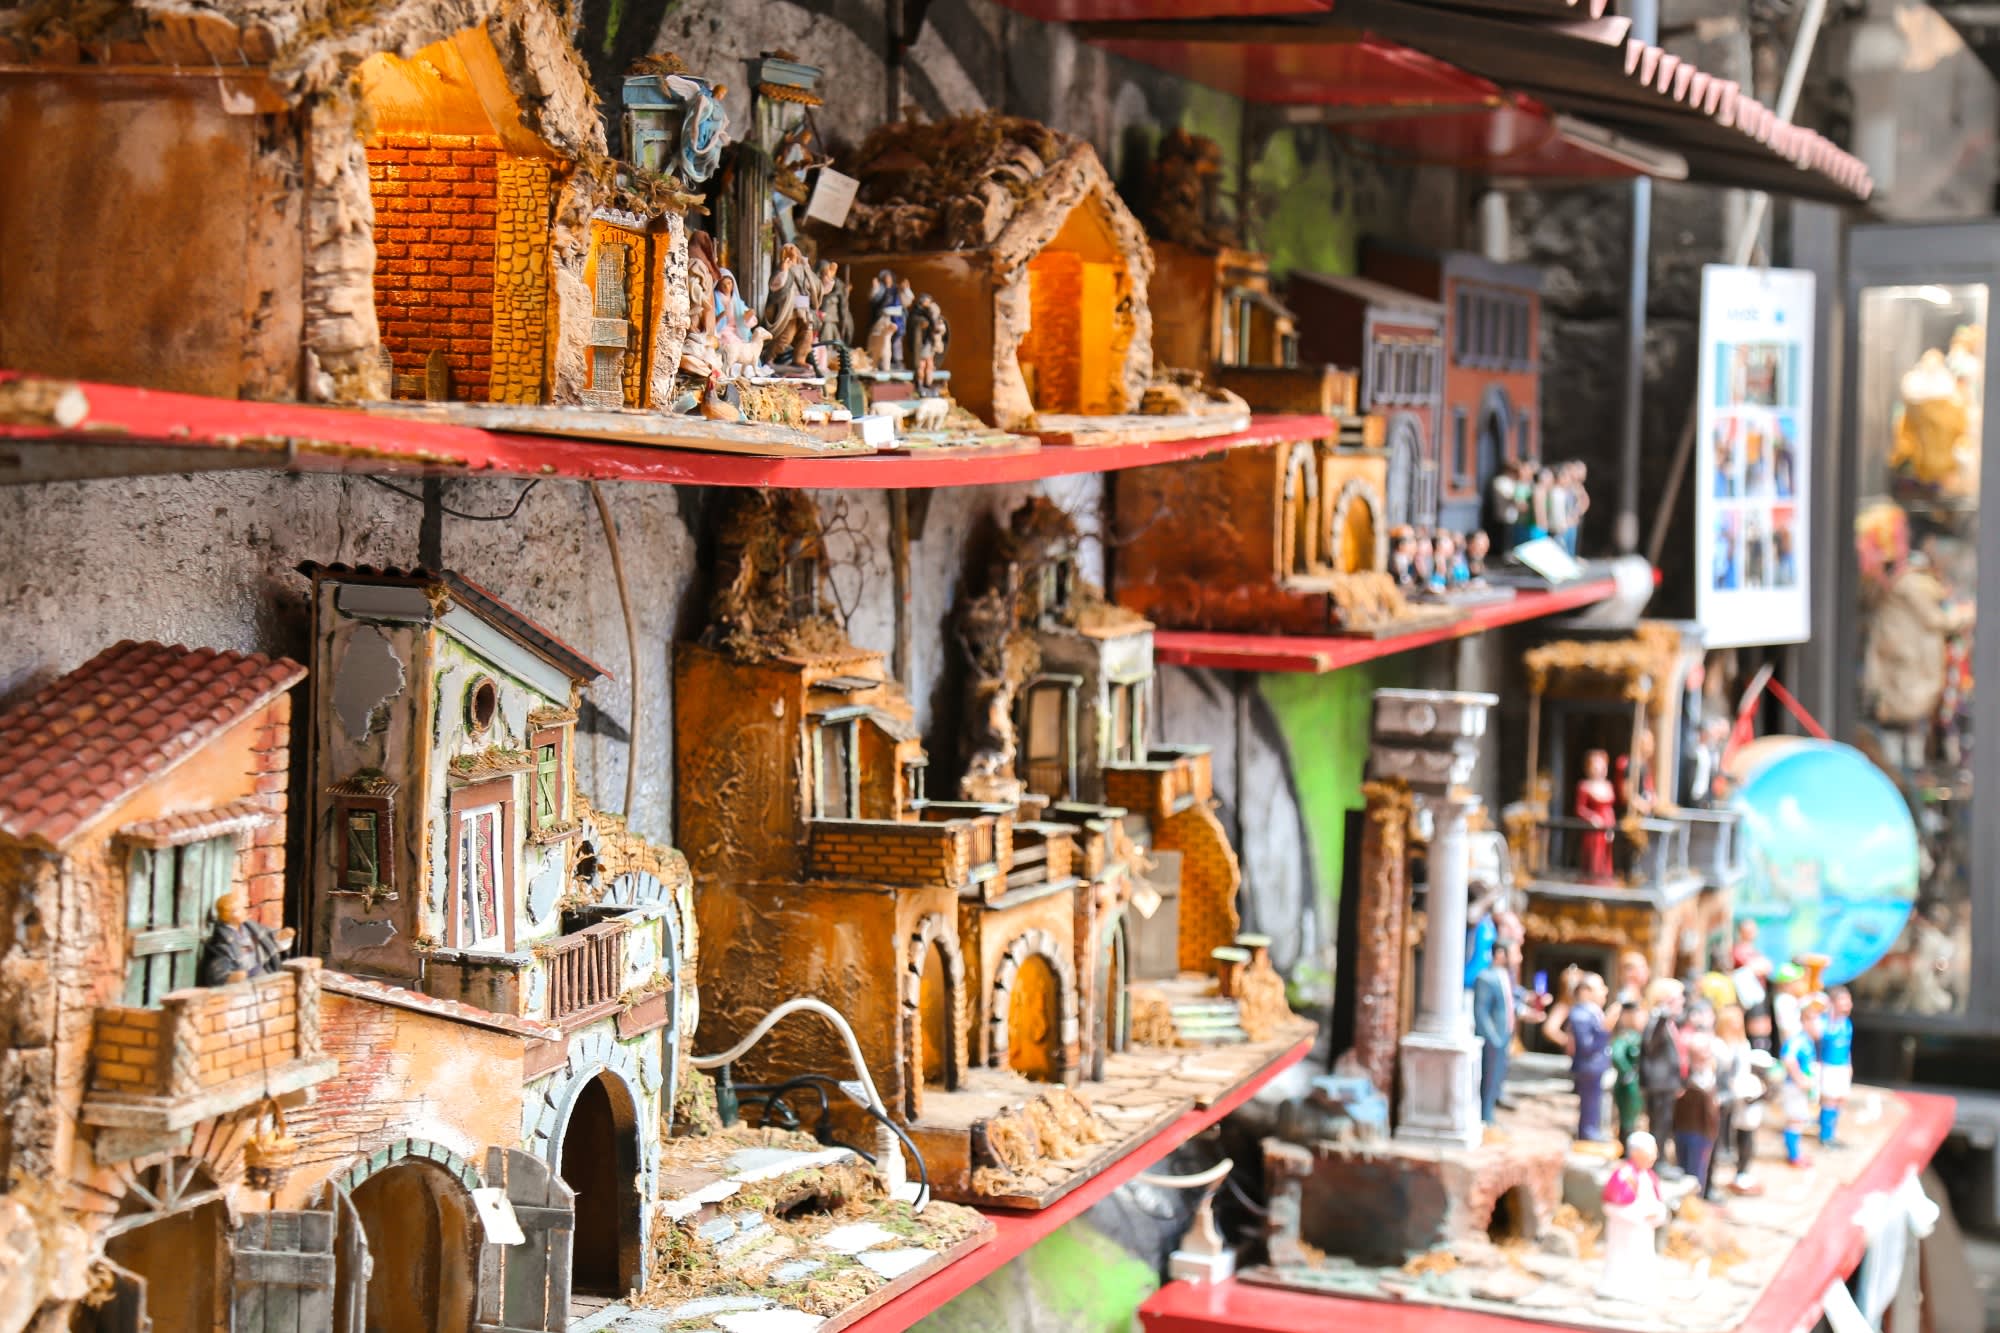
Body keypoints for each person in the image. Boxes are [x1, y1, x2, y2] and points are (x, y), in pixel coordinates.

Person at [1597, 1132, 1669, 1304]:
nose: (1654, 1156)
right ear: (1636, 1153)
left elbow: (1657, 1201)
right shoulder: (1624, 1175)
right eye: (1651, 1152)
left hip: (1643, 1231)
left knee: (1642, 1261)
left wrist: (1657, 1213)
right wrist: (1639, 1216)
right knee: (1622, 1261)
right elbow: (1611, 1205)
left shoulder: (1649, 1176)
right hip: (1625, 1231)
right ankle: (1617, 1288)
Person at [1717, 1005, 1766, 1196]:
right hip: (1726, 1097)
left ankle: (1742, 1171)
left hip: (1743, 1095)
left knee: (1746, 1133)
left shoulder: (1742, 1043)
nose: (1737, 1025)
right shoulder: (1720, 1045)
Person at [199, 890, 295, 986]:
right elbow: (219, 962)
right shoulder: (222, 938)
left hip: (259, 971)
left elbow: (267, 936)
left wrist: (280, 935)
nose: (244, 911)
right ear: (228, 914)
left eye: (243, 908)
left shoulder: (250, 927)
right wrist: (229, 977)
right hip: (242, 980)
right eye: (239, 909)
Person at [1639, 978, 1687, 1172]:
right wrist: (1662, 1016)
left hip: (1668, 1083)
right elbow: (1650, 1045)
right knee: (1659, 1124)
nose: (1682, 1001)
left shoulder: (1668, 1022)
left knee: (1664, 1124)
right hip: (1659, 1084)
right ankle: (1657, 1163)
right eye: (1678, 997)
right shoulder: (1657, 1018)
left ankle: (1661, 1161)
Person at [1473, 939, 1516, 1125]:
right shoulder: (1485, 978)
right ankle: (1485, 1117)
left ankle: (1490, 1115)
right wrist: (1493, 1037)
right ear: (1500, 954)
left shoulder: (1505, 976)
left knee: (1497, 1076)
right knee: (1488, 1077)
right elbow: (1481, 1012)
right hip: (1493, 1039)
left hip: (1505, 1035)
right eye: (1514, 953)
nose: (1518, 958)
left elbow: (1507, 1004)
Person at [1672, 1036, 1722, 1195]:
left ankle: (1696, 1201)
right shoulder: (1683, 1074)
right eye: (1699, 1052)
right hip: (1685, 1127)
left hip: (1704, 1130)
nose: (1704, 1055)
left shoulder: (1712, 1072)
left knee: (1698, 1171)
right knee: (1684, 1169)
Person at [763, 242, 822, 368]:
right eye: (787, 248)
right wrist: (784, 270)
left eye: (792, 248)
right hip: (791, 309)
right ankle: (769, 357)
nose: (791, 250)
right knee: (786, 337)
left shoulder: (804, 269)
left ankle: (799, 359)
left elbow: (816, 286)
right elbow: (775, 286)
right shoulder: (783, 268)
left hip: (805, 309)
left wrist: (827, 279)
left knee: (806, 336)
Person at [1568, 972, 1612, 1141]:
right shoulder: (1581, 1014)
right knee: (1589, 1101)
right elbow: (1586, 1045)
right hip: (1588, 1066)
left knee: (1594, 1101)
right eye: (1600, 987)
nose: (1605, 991)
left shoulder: (1593, 1012)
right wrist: (1605, 1029)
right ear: (1585, 991)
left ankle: (1592, 1130)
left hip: (1595, 1066)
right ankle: (1588, 1132)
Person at [1780, 997, 1822, 1167]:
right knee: (1795, 1120)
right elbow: (1788, 1058)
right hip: (1794, 1087)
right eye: (1812, 1019)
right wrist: (1799, 1079)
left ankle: (1796, 1153)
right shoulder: (1798, 1040)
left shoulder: (1807, 1040)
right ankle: (1794, 1156)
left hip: (1801, 1088)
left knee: (1799, 1120)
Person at [1608, 1000, 1647, 1150]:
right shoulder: (1626, 1036)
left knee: (1633, 1117)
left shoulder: (1636, 1035)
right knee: (1627, 1118)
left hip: (1635, 1080)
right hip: (1628, 1083)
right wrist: (1627, 1072)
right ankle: (1626, 1150)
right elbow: (1617, 1055)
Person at [1818, 986, 1855, 1145]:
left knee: (1839, 1100)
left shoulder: (1846, 1023)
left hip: (1842, 1067)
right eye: (1843, 1001)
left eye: (1848, 1001)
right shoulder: (1824, 1022)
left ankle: (1831, 1132)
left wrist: (1849, 1065)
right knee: (1829, 1100)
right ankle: (1825, 1136)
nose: (1847, 1005)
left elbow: (1847, 1047)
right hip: (1828, 1067)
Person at [1575, 748, 1618, 881]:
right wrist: (1592, 817)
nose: (1599, 769)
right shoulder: (1584, 786)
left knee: (1606, 855)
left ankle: (1604, 880)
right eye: (1596, 766)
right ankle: (1592, 880)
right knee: (1594, 856)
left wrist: (1611, 826)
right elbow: (1580, 808)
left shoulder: (1608, 785)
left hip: (1607, 826)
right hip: (1594, 829)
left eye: (1602, 766)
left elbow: (1610, 809)